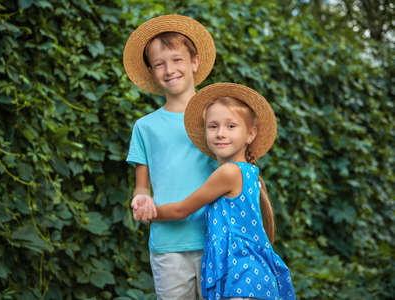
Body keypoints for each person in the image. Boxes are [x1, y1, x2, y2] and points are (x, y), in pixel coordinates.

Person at [137, 83, 296, 300]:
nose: (220, 133)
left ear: (250, 134)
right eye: (213, 126)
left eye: (231, 126)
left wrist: (149, 213)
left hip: (241, 278)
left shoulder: (228, 173)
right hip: (249, 278)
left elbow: (183, 210)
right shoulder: (248, 172)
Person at [123, 15, 217, 300]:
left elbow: (237, 167)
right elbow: (142, 185)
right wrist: (142, 198)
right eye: (159, 64)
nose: (170, 69)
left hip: (216, 239)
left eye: (177, 59)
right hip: (168, 244)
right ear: (151, 72)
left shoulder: (216, 118)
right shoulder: (145, 127)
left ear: (194, 62)